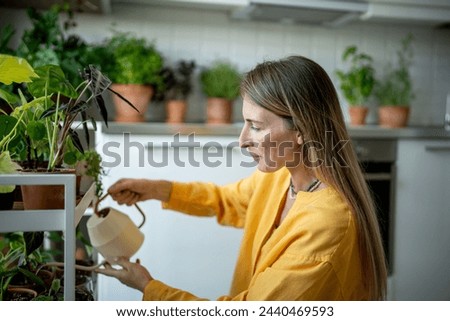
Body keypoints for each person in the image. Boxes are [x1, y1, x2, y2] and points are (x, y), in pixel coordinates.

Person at [97, 55, 387, 300]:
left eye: (256, 126)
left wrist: (147, 287)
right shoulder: (279, 177)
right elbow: (227, 200)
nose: (243, 139)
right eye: (244, 123)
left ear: (302, 131)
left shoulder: (325, 224)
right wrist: (155, 189)